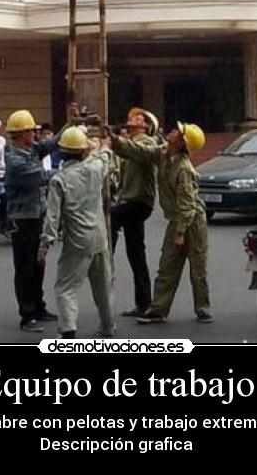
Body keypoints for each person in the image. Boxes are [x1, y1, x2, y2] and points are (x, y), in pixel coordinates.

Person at [110, 122, 213, 324]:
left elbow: (188, 205)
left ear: (182, 143)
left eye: (177, 132)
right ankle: (158, 309)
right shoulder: (164, 154)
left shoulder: (183, 169)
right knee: (167, 267)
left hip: (191, 222)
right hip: (177, 220)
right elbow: (142, 152)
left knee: (197, 268)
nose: (172, 132)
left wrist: (181, 232)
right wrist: (117, 141)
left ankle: (203, 308)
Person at [38, 127, 116, 339]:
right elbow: (105, 154)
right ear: (83, 152)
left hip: (77, 241)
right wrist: (105, 140)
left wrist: (45, 245)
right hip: (100, 238)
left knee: (65, 288)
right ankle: (108, 327)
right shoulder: (95, 170)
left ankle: (69, 329)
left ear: (61, 152)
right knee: (103, 287)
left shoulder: (59, 180)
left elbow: (52, 218)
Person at [4, 109, 58, 332]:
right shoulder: (15, 160)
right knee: (25, 266)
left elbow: (51, 145)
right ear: (20, 134)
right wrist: (73, 171)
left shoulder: (30, 150)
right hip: (23, 218)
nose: (35, 134)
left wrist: (72, 123)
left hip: (37, 216)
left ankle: (38, 307)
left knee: (39, 262)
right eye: (31, 131)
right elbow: (41, 177)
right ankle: (27, 315)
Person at [110, 107, 159, 318]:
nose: (131, 119)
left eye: (137, 118)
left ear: (146, 126)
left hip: (139, 201)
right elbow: (121, 150)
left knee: (109, 216)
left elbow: (137, 151)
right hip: (130, 200)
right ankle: (143, 303)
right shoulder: (128, 144)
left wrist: (117, 139)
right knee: (136, 254)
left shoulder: (148, 142)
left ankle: (105, 256)